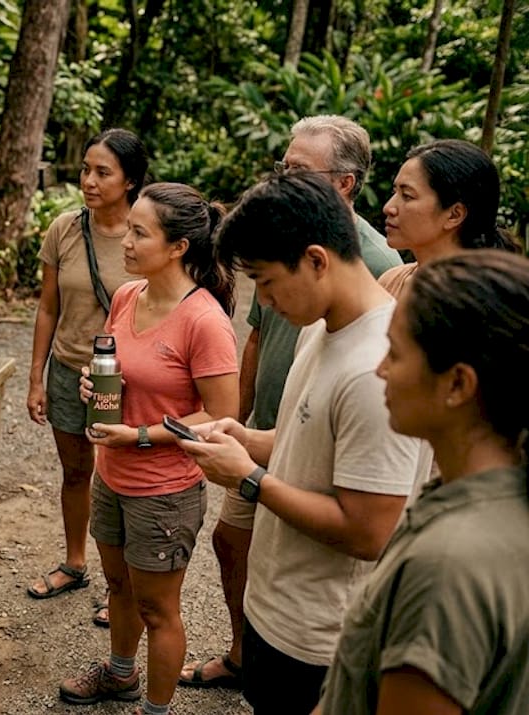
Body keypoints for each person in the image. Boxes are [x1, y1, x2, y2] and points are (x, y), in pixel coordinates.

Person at [177, 173, 429, 715]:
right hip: (273, 611)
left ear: (317, 260)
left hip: (325, 641)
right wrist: (245, 439)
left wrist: (247, 477)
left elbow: (368, 530)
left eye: (266, 283)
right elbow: (302, 442)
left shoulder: (377, 368)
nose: (262, 301)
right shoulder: (320, 326)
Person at [317, 251, 529, 714]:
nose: (380, 370)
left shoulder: (448, 565)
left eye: (395, 352)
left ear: (457, 385)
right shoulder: (491, 498)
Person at [58, 183, 238, 715]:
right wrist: (93, 383)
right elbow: (116, 369)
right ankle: (120, 675)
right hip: (111, 477)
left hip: (164, 491)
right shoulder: (126, 297)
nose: (126, 242)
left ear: (179, 246)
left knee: (159, 609)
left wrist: (141, 435)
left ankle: (155, 710)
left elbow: (220, 416)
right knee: (117, 585)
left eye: (140, 233)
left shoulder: (204, 320)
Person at [26, 129, 147, 621]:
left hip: (126, 378)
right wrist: (36, 377)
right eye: (85, 170)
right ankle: (76, 564)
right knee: (76, 473)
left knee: (120, 481)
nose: (89, 182)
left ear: (131, 181)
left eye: (103, 173)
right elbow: (48, 307)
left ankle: (121, 584)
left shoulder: (144, 236)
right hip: (68, 367)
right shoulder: (64, 229)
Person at [378, 138, 518, 297]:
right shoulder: (390, 281)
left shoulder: (480, 300)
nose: (388, 208)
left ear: (454, 215)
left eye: (407, 196)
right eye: (394, 192)